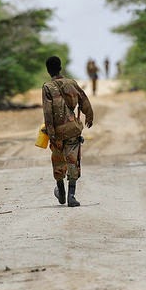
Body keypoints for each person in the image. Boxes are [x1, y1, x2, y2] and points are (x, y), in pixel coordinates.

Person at [42, 56, 94, 207]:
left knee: (58, 161)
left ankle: (61, 191)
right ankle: (72, 195)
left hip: (57, 132)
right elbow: (84, 101)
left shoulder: (47, 87)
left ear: (48, 70)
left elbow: (48, 113)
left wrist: (51, 134)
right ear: (60, 68)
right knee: (73, 160)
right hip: (72, 129)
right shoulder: (72, 83)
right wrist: (89, 116)